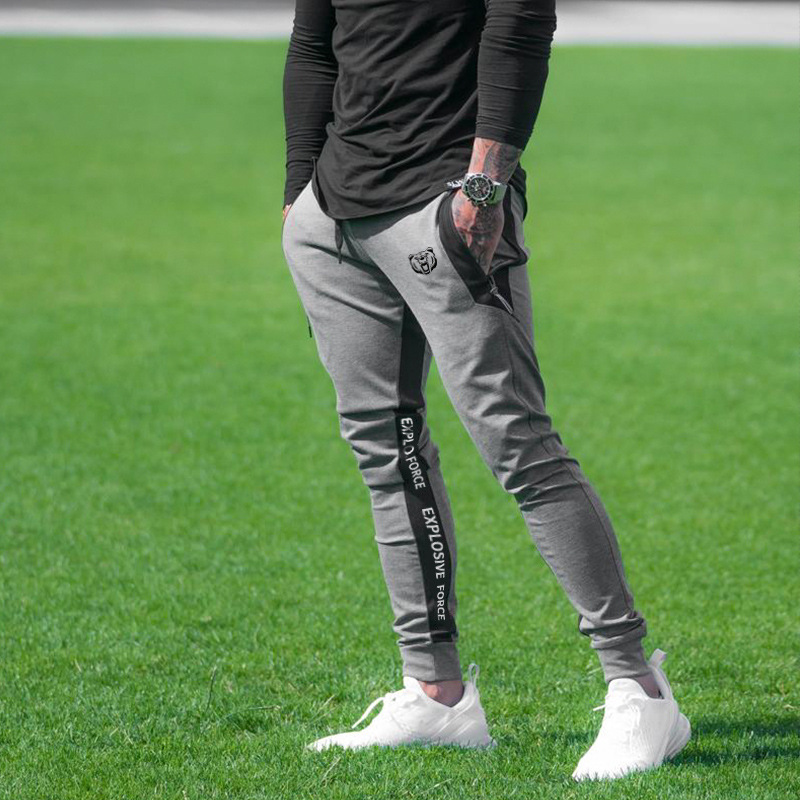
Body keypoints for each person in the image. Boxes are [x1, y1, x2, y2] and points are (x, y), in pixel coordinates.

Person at [280, 0, 690, 780]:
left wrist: (486, 187)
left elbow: (519, 24)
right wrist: (298, 196)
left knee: (519, 446)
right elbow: (314, 41)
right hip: (332, 217)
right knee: (387, 454)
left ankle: (639, 689)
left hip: (446, 205)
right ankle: (436, 694)